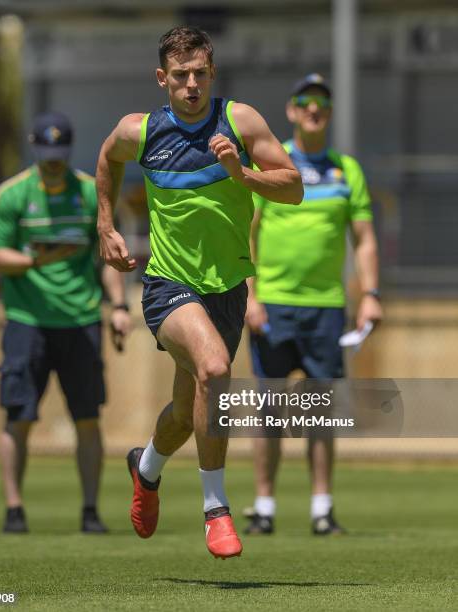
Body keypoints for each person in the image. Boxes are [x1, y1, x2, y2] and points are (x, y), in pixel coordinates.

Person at [96, 26, 303, 559]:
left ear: (212, 74)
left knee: (186, 415)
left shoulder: (241, 121)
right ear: (162, 78)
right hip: (168, 284)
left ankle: (146, 469)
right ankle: (216, 509)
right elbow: (107, 158)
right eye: (180, 76)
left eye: (200, 75)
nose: (191, 85)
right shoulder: (139, 131)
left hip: (227, 289)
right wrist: (105, 226)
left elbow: (295, 186)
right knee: (214, 368)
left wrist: (242, 173)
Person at [244, 73, 383, 536]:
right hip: (275, 306)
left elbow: (363, 240)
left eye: (321, 102)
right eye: (305, 101)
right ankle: (264, 505)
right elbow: (248, 231)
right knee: (270, 409)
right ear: (292, 110)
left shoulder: (347, 170)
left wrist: (370, 296)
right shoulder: (273, 162)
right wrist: (252, 295)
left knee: (319, 410)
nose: (313, 109)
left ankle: (321, 508)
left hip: (326, 308)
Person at [0, 112, 131, 534]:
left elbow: (108, 257)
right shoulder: (12, 195)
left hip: (82, 319)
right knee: (19, 415)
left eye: (59, 152)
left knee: (88, 417)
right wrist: (34, 259)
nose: (52, 160)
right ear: (35, 147)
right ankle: (14, 509)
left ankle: (90, 511)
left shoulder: (89, 193)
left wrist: (118, 307)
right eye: (46, 152)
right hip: (27, 320)